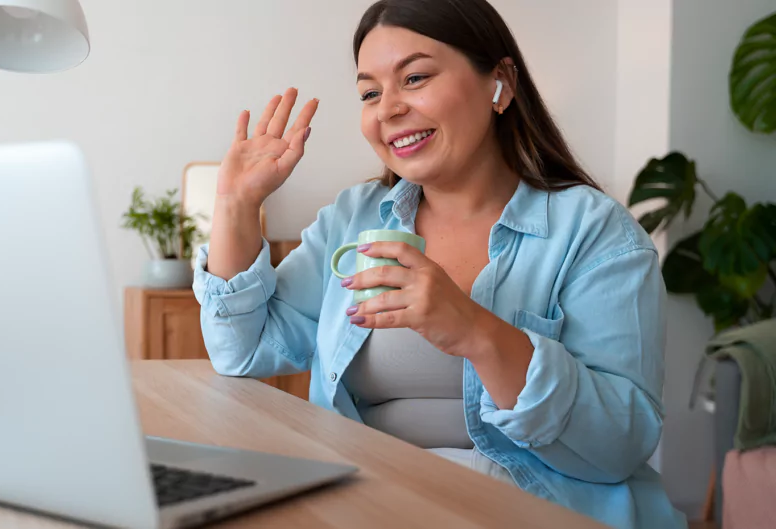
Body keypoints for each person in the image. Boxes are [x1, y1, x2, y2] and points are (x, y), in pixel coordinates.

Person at [191, 1, 686, 527]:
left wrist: (472, 328)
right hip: (368, 505)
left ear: (501, 83)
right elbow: (241, 350)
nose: (388, 109)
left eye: (415, 77)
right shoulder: (353, 220)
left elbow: (620, 445)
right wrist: (235, 206)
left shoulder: (594, 233)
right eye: (370, 93)